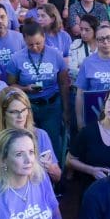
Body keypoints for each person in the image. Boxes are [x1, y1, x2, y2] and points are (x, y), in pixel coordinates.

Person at [6, 22, 70, 160]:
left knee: (52, 142)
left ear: (44, 38)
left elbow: (63, 82)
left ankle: (54, 175)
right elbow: (10, 86)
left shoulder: (55, 55)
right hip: (28, 107)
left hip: (51, 105)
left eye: (38, 43)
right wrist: (25, 88)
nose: (35, 47)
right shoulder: (16, 58)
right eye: (30, 44)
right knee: (29, 142)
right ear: (24, 40)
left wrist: (66, 109)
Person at [0, 87, 61, 183]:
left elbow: (58, 177)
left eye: (24, 110)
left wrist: (50, 168)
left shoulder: (41, 135)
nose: (21, 116)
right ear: (3, 114)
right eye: (14, 112)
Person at [74, 23, 110, 130]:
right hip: (95, 115)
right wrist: (80, 120)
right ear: (96, 41)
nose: (106, 42)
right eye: (101, 39)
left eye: (109, 38)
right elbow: (80, 94)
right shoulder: (88, 62)